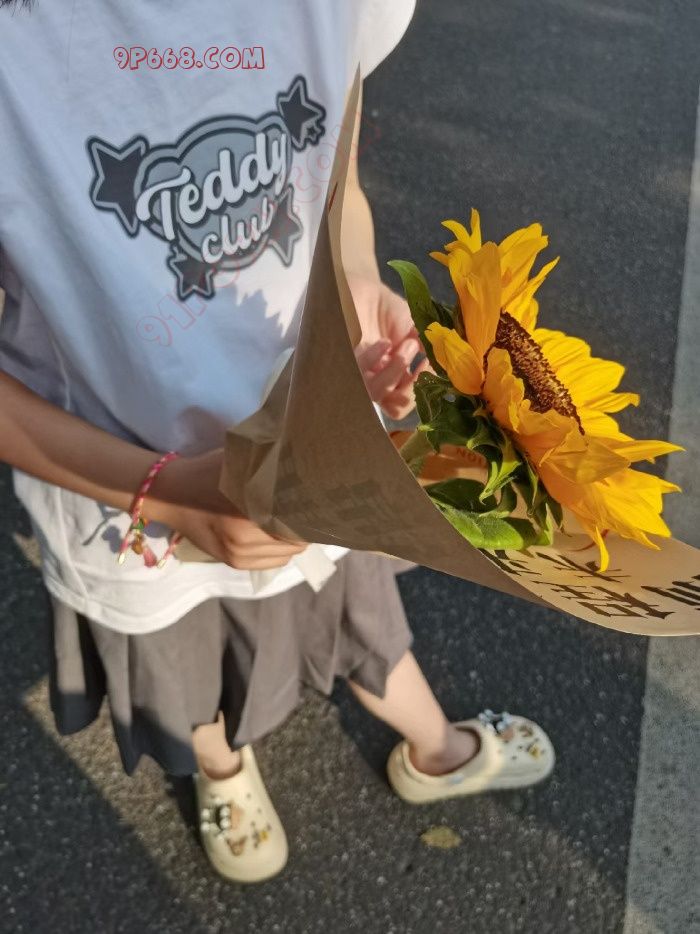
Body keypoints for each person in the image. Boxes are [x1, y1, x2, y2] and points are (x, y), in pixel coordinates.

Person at [0, 0, 555, 884]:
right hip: (125, 492)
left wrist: (357, 279)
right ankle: (224, 772)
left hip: (313, 445)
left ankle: (434, 744)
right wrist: (168, 491)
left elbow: (334, 182)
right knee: (181, 666)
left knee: (357, 610)